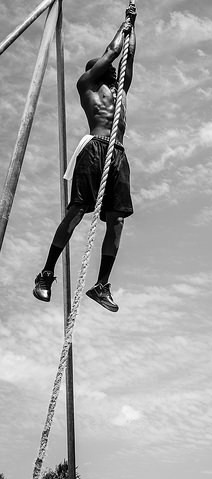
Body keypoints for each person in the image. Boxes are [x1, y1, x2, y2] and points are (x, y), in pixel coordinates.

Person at [33, 4, 137, 312]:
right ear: (97, 69)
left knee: (117, 220)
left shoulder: (120, 92)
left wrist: (134, 24)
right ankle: (46, 273)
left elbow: (128, 55)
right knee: (78, 211)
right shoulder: (88, 84)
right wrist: (124, 25)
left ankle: (102, 285)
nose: (115, 70)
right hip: (94, 148)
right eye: (109, 66)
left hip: (117, 152)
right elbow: (114, 51)